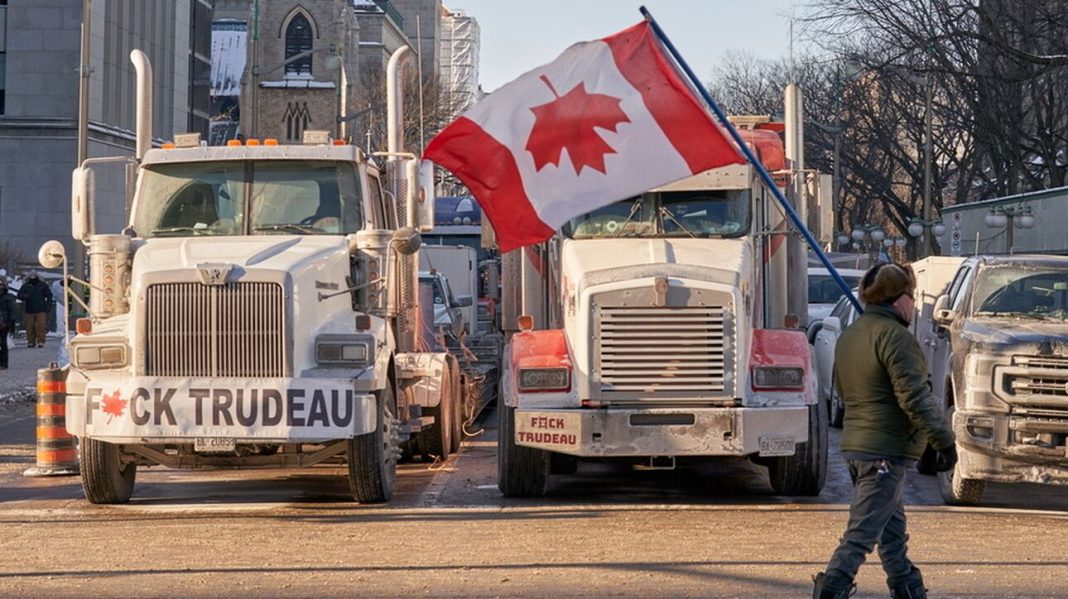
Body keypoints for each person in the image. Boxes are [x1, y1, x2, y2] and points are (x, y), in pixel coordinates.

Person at [813, 263, 957, 599]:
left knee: (892, 537)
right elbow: (915, 397)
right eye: (911, 295)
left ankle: (909, 590)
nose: (914, 304)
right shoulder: (896, 338)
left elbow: (843, 392)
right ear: (897, 298)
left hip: (857, 447)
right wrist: (943, 441)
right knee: (860, 537)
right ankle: (831, 590)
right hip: (885, 452)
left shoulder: (851, 335)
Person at [16, 271, 53, 349]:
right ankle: (31, 341)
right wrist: (25, 296)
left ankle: (41, 341)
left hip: (41, 309)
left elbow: (49, 295)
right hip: (29, 309)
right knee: (30, 327)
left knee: (41, 326)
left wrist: (48, 305)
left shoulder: (43, 285)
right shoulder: (25, 286)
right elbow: (19, 295)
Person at [0, 279, 15, 368]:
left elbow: (11, 311)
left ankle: (4, 363)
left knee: (3, 343)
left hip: (4, 323)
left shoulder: (7, 297)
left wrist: (10, 322)